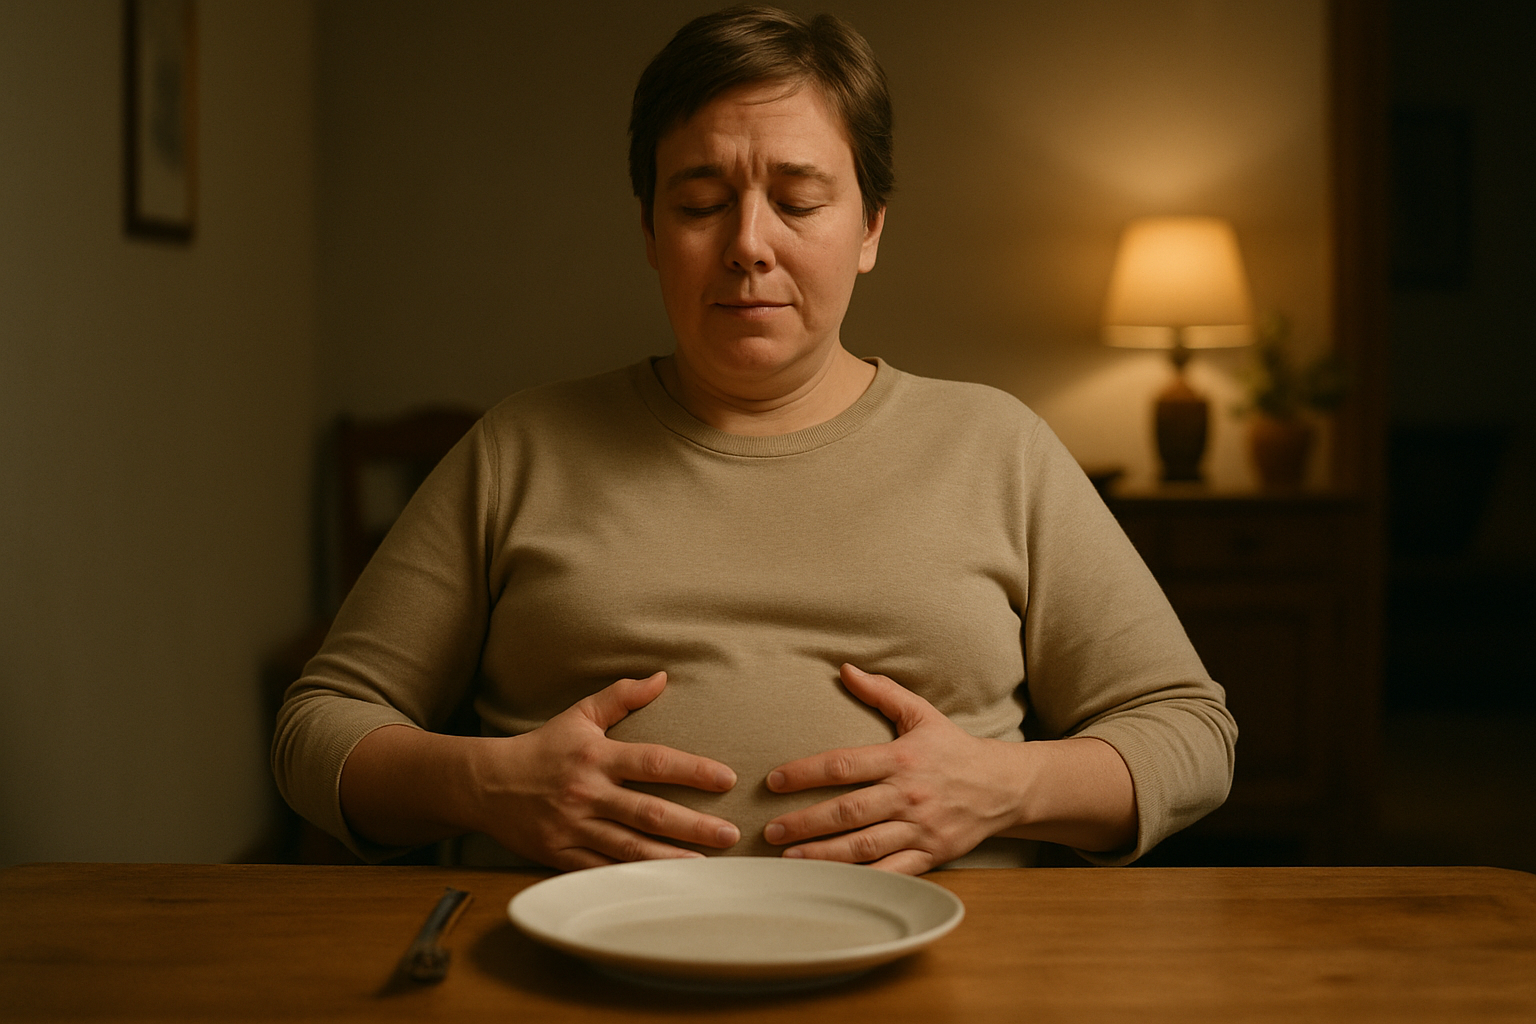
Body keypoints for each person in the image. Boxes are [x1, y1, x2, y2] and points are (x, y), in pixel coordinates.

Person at [273, 4, 1236, 875]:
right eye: (700, 201)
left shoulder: (998, 447)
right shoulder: (519, 447)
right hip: (574, 970)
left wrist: (1000, 786)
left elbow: (1190, 734)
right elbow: (317, 731)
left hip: (942, 974)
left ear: (870, 227)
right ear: (650, 228)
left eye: (799, 199)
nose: (748, 243)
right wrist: (488, 786)